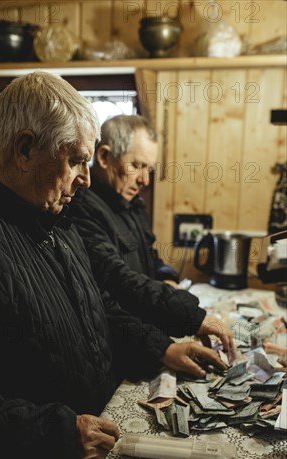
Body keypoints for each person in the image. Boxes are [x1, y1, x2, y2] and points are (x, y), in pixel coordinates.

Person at [0, 74, 229, 459]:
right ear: (25, 150)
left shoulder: (51, 212)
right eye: (76, 160)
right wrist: (55, 436)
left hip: (85, 454)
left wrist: (161, 348)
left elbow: (95, 307)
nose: (86, 179)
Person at [70, 114, 233, 362]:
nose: (145, 180)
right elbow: (117, 279)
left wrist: (166, 277)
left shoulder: (132, 203)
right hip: (118, 349)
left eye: (149, 169)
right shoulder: (81, 208)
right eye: (136, 166)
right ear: (103, 157)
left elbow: (151, 255)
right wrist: (190, 315)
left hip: (145, 334)